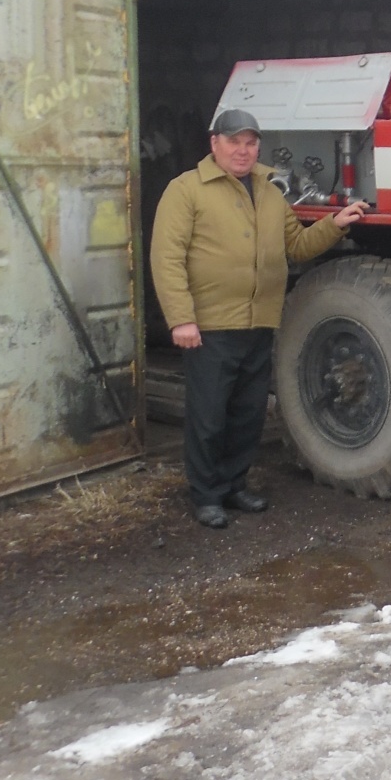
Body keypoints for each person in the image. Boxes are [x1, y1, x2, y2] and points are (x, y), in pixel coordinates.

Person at [150, 109, 366, 528]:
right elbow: (167, 258)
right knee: (209, 416)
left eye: (250, 143)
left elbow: (298, 246)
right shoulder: (186, 190)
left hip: (258, 320)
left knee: (247, 414)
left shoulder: (269, 191)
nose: (243, 150)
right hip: (210, 324)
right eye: (234, 142)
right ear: (215, 143)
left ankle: (234, 485)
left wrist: (334, 224)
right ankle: (206, 495)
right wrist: (181, 319)